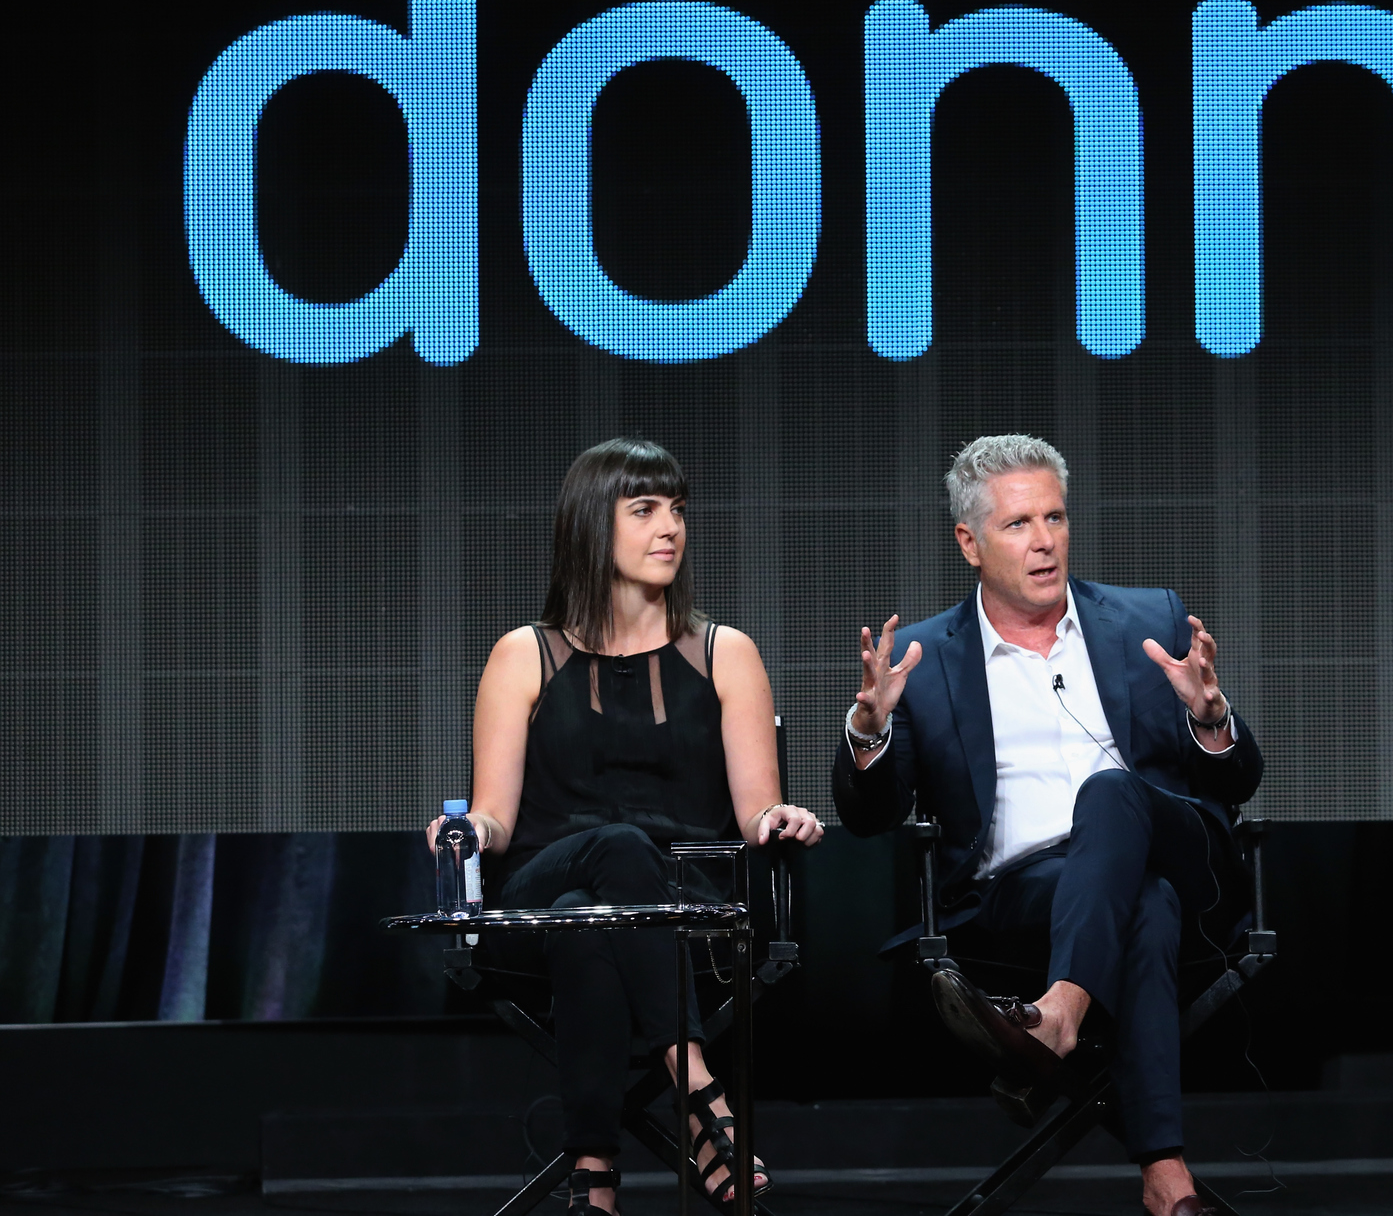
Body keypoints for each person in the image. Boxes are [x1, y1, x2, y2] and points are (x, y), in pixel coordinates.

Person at [832, 434, 1262, 1216]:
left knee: (1112, 798)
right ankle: (1168, 1181)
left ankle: (1057, 1014)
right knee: (1146, 905)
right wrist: (869, 733)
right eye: (1018, 523)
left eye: (1055, 518)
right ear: (968, 541)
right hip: (1023, 895)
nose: (1043, 541)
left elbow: (1239, 779)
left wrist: (1211, 716)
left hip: (1182, 853)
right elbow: (868, 817)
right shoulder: (926, 658)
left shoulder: (1147, 617)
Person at [429, 438, 822, 1213]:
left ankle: (594, 1178)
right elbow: (498, 817)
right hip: (539, 896)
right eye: (644, 510)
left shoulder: (726, 653)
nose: (669, 526)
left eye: (677, 509)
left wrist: (782, 817)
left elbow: (754, 811)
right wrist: (463, 831)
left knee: (592, 920)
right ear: (590, 526)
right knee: (606, 859)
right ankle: (702, 1093)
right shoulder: (522, 655)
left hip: (682, 912)